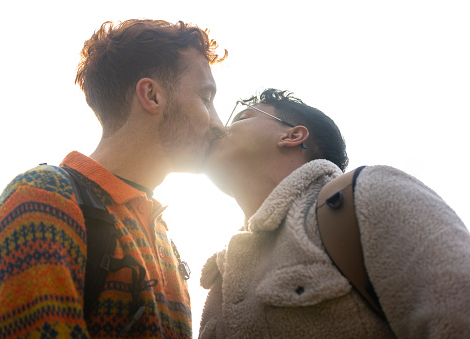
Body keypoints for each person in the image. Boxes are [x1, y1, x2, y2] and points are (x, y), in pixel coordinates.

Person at [0, 19, 226, 338]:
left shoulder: (163, 237)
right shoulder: (43, 200)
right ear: (152, 95)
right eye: (207, 98)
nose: (219, 125)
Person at [199, 88, 470, 338]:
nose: (221, 127)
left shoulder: (368, 193)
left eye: (242, 116)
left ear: (292, 136)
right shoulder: (219, 281)